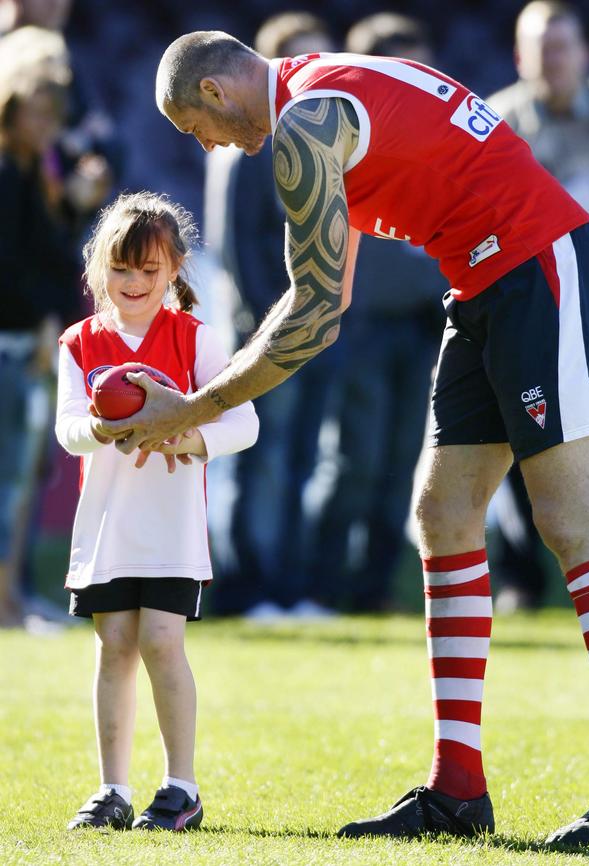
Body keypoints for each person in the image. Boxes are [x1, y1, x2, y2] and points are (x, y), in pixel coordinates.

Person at [96, 31, 589, 847]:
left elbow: (312, 316)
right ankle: (458, 787)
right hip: (488, 277)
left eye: (194, 130)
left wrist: (189, 409)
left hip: (539, 262)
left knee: (571, 521)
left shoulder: (304, 126)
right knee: (443, 513)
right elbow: (320, 298)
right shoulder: (322, 97)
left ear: (214, 95)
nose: (207, 146)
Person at [56, 191, 259, 831]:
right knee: (113, 644)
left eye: (150, 270)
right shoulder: (79, 342)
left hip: (172, 528)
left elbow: (244, 423)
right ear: (100, 269)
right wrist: (101, 427)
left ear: (173, 270)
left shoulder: (195, 339)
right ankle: (111, 789)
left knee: (161, 642)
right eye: (122, 269)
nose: (135, 283)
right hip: (107, 528)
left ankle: (181, 786)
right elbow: (68, 431)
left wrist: (188, 438)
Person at [488, 0, 589, 611]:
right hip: (526, 295)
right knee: (514, 434)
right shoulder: (497, 122)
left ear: (584, 52)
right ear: (519, 55)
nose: (553, 60)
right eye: (541, 47)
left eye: (563, 47)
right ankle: (521, 580)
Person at [304, 13, 448, 612]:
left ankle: (371, 591)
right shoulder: (346, 136)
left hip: (422, 325)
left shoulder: (438, 138)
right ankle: (322, 586)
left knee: (398, 465)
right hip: (361, 323)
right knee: (355, 460)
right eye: (405, 69)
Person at [204, 11, 338, 617]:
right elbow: (237, 248)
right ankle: (248, 585)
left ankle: (287, 586)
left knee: (302, 458)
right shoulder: (245, 149)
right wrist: (279, 325)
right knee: (265, 460)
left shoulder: (323, 135)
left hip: (309, 330)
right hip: (268, 331)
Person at [0, 50, 80, 627]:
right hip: (13, 344)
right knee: (8, 480)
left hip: (28, 339)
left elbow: (51, 259)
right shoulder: (8, 174)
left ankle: (13, 598)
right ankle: (6, 605)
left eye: (53, 118)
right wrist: (41, 319)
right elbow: (11, 265)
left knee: (20, 479)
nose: (43, 128)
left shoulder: (37, 173)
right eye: (34, 114)